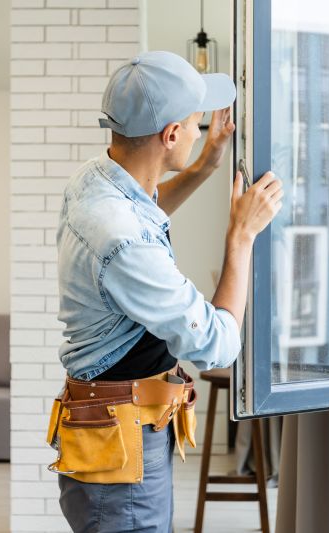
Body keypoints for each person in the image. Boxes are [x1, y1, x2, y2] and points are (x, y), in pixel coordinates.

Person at [53, 50, 283, 533]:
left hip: (119, 431)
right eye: (197, 123)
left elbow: (143, 218)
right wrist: (240, 237)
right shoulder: (120, 235)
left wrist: (202, 168)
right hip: (121, 449)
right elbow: (216, 343)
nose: (201, 131)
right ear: (171, 134)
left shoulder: (98, 180)